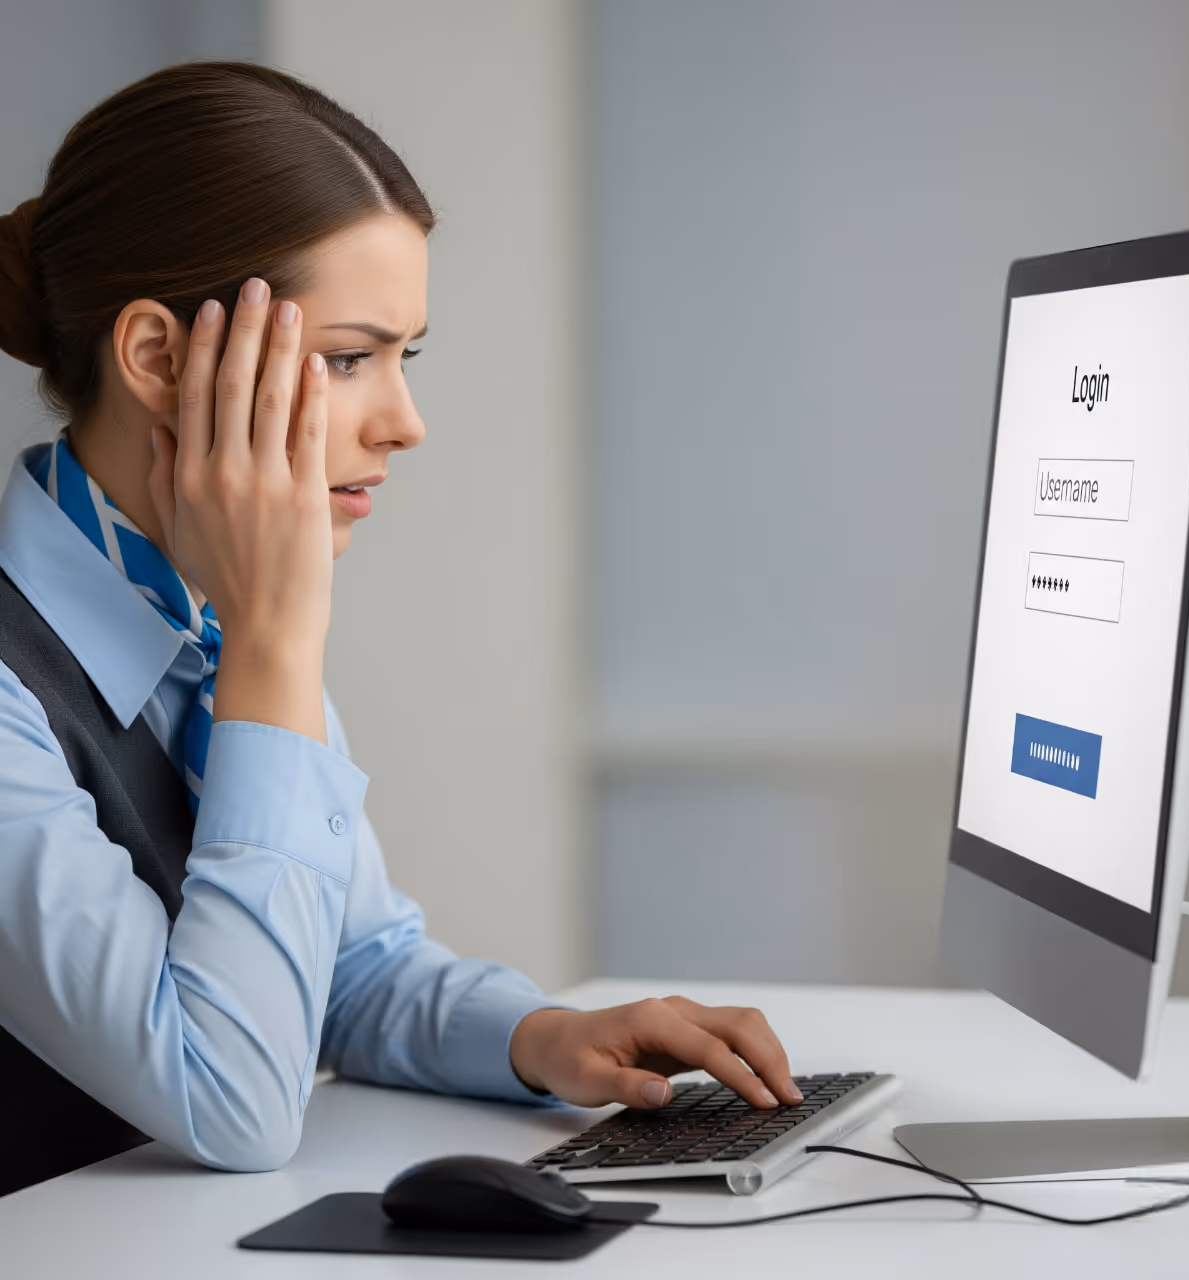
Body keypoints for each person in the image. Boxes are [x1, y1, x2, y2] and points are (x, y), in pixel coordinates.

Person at [0, 61, 802, 1198]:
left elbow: (348, 969)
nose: (405, 421)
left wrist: (544, 1037)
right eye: (345, 358)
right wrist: (275, 649)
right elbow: (229, 1095)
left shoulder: (206, 613)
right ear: (159, 359)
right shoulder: (150, 655)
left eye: (402, 355)